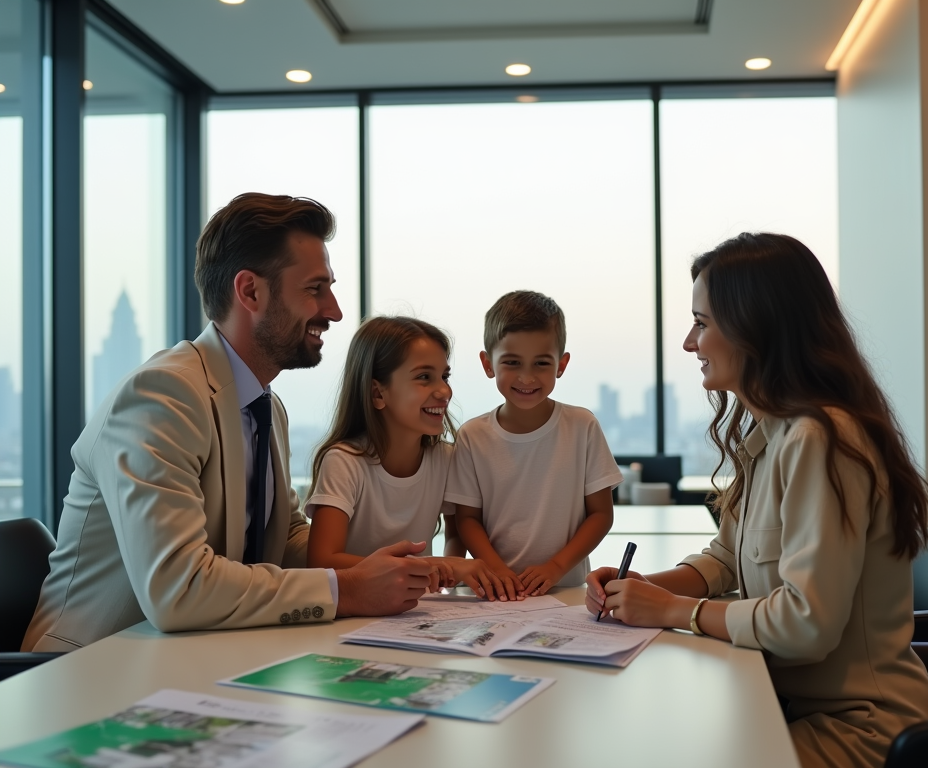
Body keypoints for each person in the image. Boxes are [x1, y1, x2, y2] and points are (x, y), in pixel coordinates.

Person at [585, 233, 928, 768]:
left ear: (756, 328)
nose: (688, 342)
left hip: (861, 728)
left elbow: (806, 624)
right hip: (790, 705)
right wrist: (645, 589)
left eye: (701, 323)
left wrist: (677, 611)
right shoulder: (772, 434)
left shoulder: (819, 441)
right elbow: (727, 558)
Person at [24, 193, 433, 653]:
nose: (334, 310)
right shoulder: (162, 396)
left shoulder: (264, 405)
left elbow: (281, 537)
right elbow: (179, 589)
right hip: (88, 675)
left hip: (193, 658)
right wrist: (349, 589)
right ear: (250, 292)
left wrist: (374, 567)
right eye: (315, 289)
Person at [445, 290, 621, 601]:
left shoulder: (583, 426)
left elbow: (601, 515)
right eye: (512, 362)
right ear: (488, 364)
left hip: (567, 592)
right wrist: (497, 570)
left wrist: (556, 566)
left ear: (561, 365)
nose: (527, 377)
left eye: (541, 363)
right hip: (494, 592)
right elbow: (467, 519)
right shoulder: (472, 436)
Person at [305, 315, 496, 596]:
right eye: (423, 377)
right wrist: (432, 565)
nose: (444, 391)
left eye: (444, 376)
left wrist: (446, 573)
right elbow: (321, 562)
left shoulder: (446, 458)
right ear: (377, 393)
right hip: (356, 611)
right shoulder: (344, 462)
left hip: (418, 610)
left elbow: (455, 535)